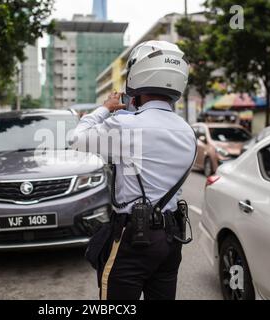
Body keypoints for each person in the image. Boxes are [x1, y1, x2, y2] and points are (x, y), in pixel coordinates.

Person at [71, 41, 196, 300]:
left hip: (135, 238)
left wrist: (105, 108)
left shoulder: (125, 126)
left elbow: (77, 139)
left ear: (137, 79)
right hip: (172, 238)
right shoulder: (188, 131)